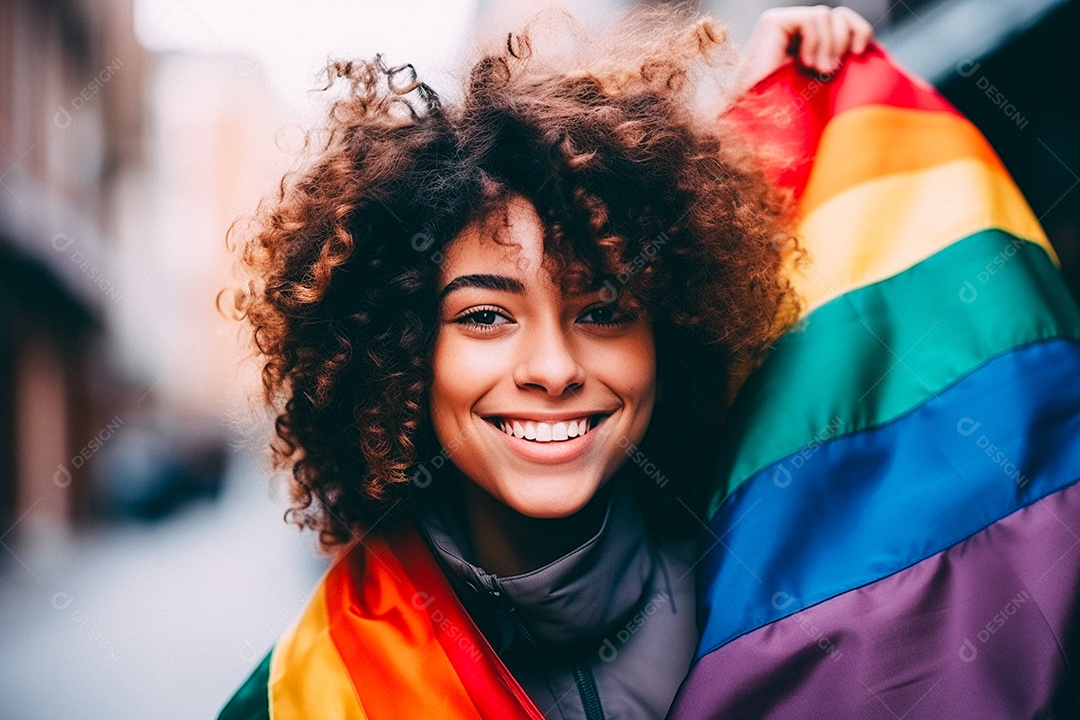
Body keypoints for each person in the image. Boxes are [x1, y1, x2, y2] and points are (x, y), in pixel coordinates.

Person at [220, 3, 1080, 718]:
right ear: (397, 356)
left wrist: (785, 116)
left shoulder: (782, 558)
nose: (553, 366)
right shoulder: (309, 694)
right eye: (485, 316)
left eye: (602, 310)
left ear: (669, 337)